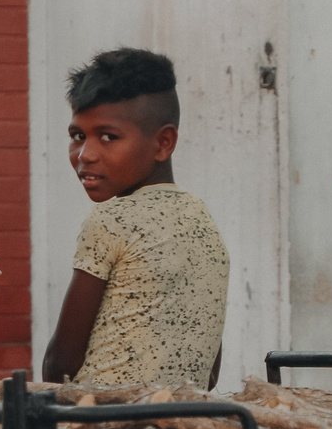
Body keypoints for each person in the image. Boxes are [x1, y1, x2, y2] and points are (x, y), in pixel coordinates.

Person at [40, 47, 230, 390]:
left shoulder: (110, 220)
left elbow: (60, 366)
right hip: (186, 422)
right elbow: (210, 372)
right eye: (77, 136)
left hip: (102, 424)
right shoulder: (202, 218)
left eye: (108, 137)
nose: (86, 154)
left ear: (163, 143)